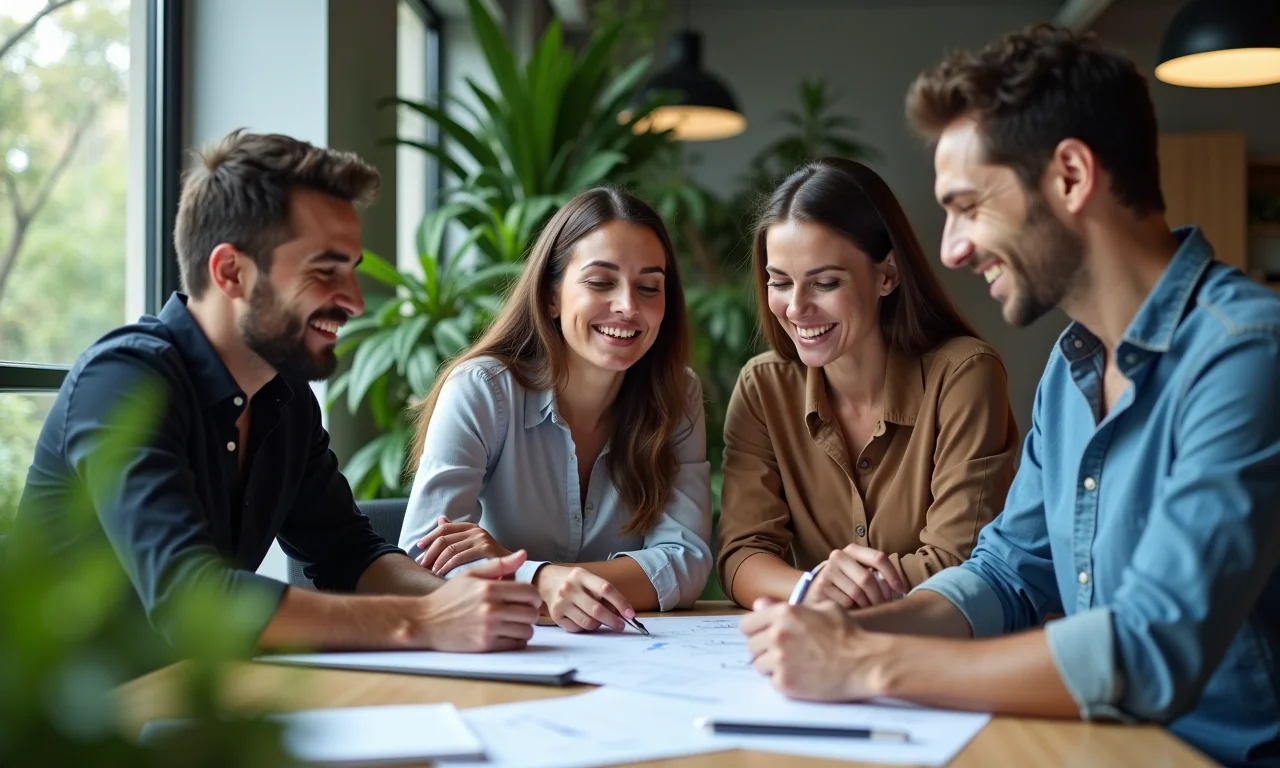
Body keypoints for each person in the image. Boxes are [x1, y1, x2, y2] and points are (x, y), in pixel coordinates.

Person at [739, 24, 1280, 768]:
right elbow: (1005, 574)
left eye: (968, 205)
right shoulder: (1070, 367)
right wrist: (857, 632)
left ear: (1069, 176)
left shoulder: (1246, 354)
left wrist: (867, 665)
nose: (954, 248)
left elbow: (1155, 641)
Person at [16, 129, 541, 656]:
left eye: (352, 272)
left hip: (197, 705)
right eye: (324, 270)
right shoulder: (124, 381)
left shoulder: (283, 395)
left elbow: (347, 552)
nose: (355, 302)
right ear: (231, 272)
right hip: (68, 725)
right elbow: (189, 598)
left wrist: (464, 604)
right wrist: (423, 619)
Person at [398, 187, 712, 633]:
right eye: (601, 282)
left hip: (629, 658)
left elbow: (687, 561)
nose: (628, 306)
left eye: (649, 287)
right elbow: (422, 561)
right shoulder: (483, 390)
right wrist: (541, 580)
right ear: (550, 296)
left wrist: (525, 577)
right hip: (504, 657)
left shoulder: (678, 395)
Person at [717, 157, 1018, 610]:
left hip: (933, 652)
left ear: (887, 275)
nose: (796, 308)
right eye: (780, 282)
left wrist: (830, 589)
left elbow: (961, 562)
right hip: (818, 656)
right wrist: (809, 587)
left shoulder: (964, 375)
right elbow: (741, 555)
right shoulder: (763, 388)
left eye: (825, 283)